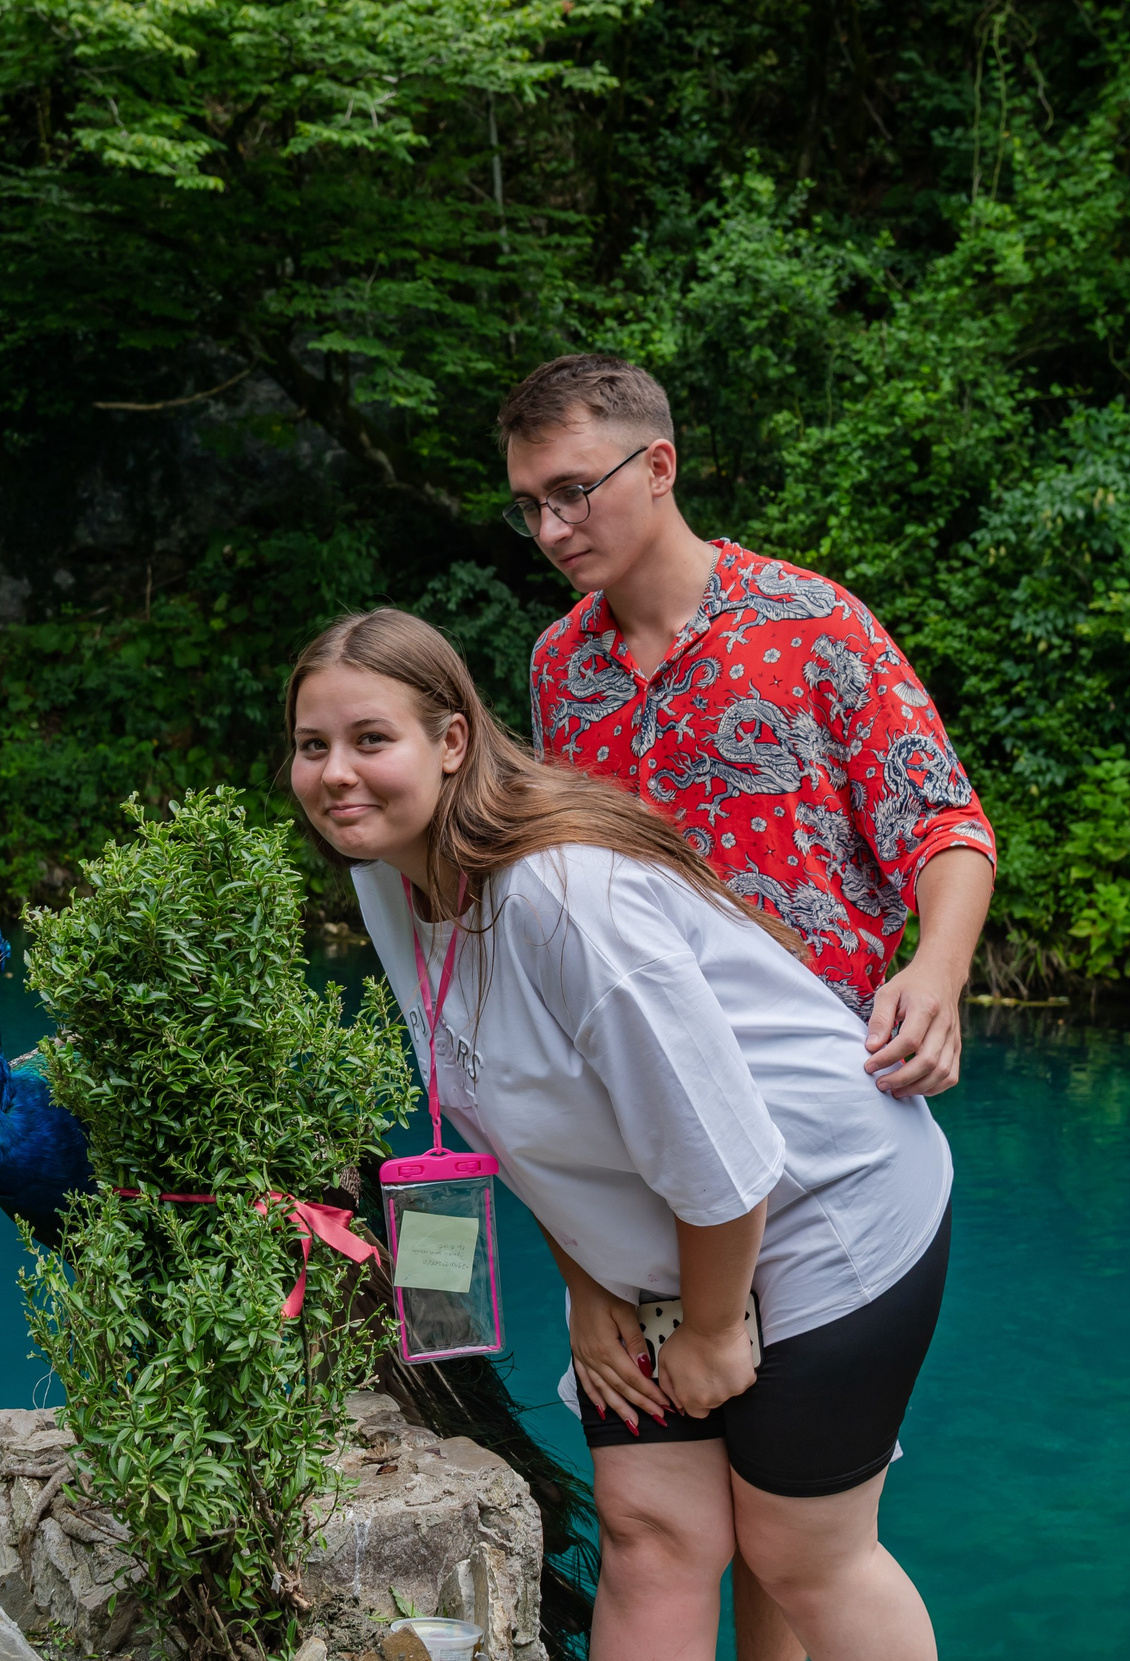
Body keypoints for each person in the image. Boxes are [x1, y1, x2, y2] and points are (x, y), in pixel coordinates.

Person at [288, 609, 951, 1661]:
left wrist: (714, 1329)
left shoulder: (559, 893)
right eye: (311, 744)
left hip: (825, 1205)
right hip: (665, 1231)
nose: (334, 773)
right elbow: (514, 1116)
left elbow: (724, 1151)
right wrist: (589, 1280)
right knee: (653, 1530)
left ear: (452, 741)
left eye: (370, 740)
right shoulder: (389, 875)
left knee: (799, 1551)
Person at [502, 354, 997, 1098]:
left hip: (828, 1089)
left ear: (659, 466)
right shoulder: (556, 666)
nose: (550, 528)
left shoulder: (816, 624)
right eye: (530, 505)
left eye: (573, 493)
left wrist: (938, 972)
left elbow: (944, 826)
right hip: (643, 1104)